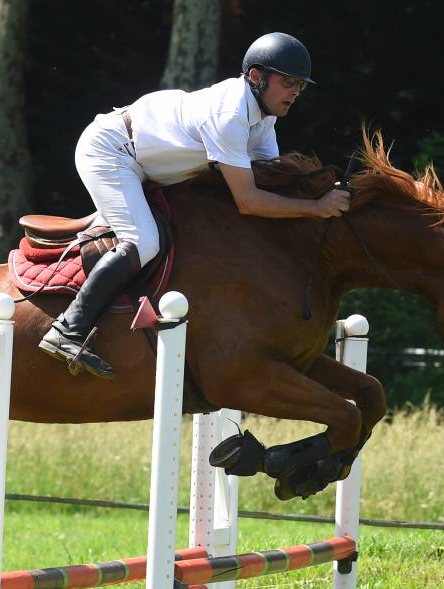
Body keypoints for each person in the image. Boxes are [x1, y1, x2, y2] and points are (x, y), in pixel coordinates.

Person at [40, 32, 351, 379]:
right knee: (144, 242)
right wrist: (316, 208)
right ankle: (67, 329)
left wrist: (321, 191)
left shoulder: (264, 118)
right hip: (111, 152)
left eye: (301, 86)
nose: (295, 92)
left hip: (148, 163)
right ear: (255, 77)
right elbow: (249, 201)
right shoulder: (230, 114)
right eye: (288, 82)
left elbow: (272, 177)